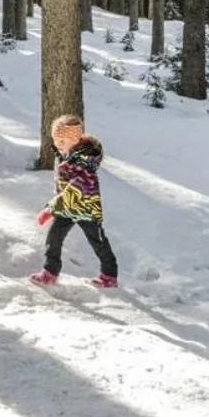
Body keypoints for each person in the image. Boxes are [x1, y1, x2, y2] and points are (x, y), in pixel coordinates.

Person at [31, 115, 120, 288]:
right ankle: (50, 271)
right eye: (57, 140)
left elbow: (76, 188)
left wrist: (50, 209)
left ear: (74, 140)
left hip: (86, 209)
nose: (58, 144)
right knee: (54, 237)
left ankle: (109, 274)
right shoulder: (66, 156)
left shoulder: (82, 162)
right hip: (68, 208)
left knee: (98, 241)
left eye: (62, 141)